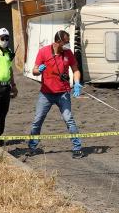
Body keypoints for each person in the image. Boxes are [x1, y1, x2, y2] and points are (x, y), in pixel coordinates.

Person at [29, 30, 84, 158]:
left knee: (69, 119)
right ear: (58, 41)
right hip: (46, 93)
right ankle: (32, 146)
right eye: (66, 42)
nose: (68, 44)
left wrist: (76, 83)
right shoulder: (43, 51)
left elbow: (75, 70)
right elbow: (34, 70)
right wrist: (39, 70)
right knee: (37, 120)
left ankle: (77, 147)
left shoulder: (68, 53)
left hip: (63, 93)